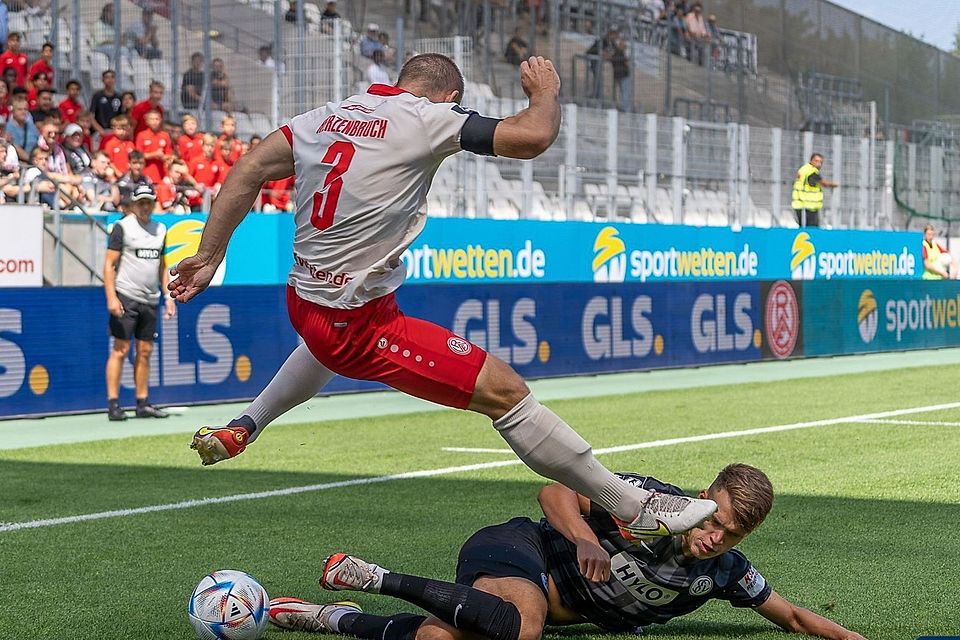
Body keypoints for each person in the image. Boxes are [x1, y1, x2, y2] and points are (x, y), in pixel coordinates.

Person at [168, 54, 717, 539]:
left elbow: (248, 169)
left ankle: (245, 425)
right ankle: (631, 505)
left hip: (307, 301)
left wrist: (212, 253)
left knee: (325, 345)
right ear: (450, 98)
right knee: (507, 394)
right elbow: (531, 138)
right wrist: (545, 90)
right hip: (352, 322)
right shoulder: (425, 117)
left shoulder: (321, 119)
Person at [268, 465, 866, 640]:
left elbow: (791, 616)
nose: (716, 536)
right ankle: (376, 576)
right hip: (517, 547)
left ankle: (327, 617)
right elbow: (555, 491)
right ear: (703, 496)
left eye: (733, 534)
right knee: (523, 629)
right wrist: (583, 537)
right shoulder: (649, 502)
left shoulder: (724, 573)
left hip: (514, 604)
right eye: (717, 518)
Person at [104, 183, 174, 421]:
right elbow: (109, 264)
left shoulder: (161, 229)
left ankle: (142, 402)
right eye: (141, 202)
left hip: (150, 298)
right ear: (133, 204)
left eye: (148, 202)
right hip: (126, 295)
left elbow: (162, 266)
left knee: (145, 351)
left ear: (154, 204)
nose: (145, 207)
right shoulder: (122, 227)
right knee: (120, 349)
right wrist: (112, 297)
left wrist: (168, 296)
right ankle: (113, 404)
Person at [791, 152, 838, 228]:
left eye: (820, 162)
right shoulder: (812, 171)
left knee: (803, 228)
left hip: (800, 204)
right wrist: (834, 185)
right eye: (816, 161)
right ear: (811, 161)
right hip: (808, 206)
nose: (818, 164)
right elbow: (823, 183)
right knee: (812, 230)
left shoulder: (803, 169)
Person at [135, 107, 172, 184]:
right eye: (152, 119)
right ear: (147, 121)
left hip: (162, 173)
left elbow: (169, 154)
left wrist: (164, 157)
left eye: (157, 119)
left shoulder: (165, 135)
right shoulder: (141, 135)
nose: (154, 122)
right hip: (146, 173)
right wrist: (154, 154)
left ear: (161, 120)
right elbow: (138, 156)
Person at [91, 70, 122, 135]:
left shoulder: (119, 97)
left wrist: (117, 130)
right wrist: (100, 131)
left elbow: (121, 116)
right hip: (100, 132)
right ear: (103, 79)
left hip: (114, 132)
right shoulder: (97, 96)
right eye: (107, 77)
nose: (110, 80)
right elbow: (91, 116)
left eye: (112, 77)